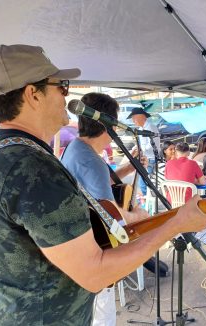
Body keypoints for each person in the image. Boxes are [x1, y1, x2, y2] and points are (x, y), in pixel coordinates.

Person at [0, 44, 206, 325]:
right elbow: (95, 273)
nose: (66, 93)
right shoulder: (32, 169)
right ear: (32, 94)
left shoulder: (8, 151)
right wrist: (177, 223)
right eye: (61, 85)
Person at [61, 92, 149, 325]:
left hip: (78, 246)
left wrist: (129, 169)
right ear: (110, 125)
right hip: (94, 249)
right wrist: (139, 216)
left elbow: (97, 187)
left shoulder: (75, 148)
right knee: (102, 316)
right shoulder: (92, 162)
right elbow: (112, 217)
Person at [128, 107, 160, 196]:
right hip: (146, 158)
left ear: (141, 117)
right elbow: (142, 143)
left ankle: (147, 201)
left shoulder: (150, 127)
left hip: (150, 159)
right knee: (142, 182)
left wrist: (140, 149)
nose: (133, 121)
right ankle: (146, 200)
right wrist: (135, 148)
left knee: (144, 182)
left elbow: (153, 145)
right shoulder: (142, 129)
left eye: (134, 118)